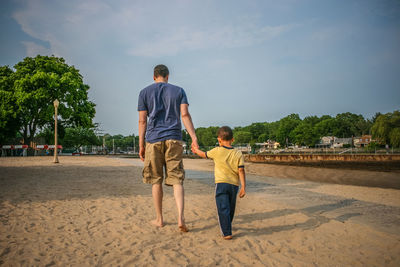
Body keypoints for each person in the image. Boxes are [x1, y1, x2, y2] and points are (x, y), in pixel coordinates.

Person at [138, 64, 198, 232]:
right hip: (174, 139)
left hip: (153, 140)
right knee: (177, 179)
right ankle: (180, 217)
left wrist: (141, 144)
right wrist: (193, 137)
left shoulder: (144, 92)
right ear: (168, 76)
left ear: (154, 76)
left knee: (156, 181)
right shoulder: (179, 91)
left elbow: (142, 120)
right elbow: (184, 115)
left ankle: (160, 219)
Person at [192, 126, 246, 240]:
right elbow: (241, 170)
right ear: (233, 139)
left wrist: (196, 150)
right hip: (234, 185)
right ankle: (228, 225)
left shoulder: (216, 151)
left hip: (221, 183)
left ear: (219, 140)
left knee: (223, 207)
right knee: (231, 207)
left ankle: (227, 232)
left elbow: (204, 154)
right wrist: (243, 187)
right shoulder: (238, 153)